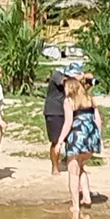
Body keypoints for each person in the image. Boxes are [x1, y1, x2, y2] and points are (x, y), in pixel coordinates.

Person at [58, 72, 102, 210]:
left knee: (73, 172)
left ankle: (75, 206)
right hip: (91, 137)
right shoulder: (90, 99)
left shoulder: (69, 101)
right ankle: (87, 197)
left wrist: (59, 141)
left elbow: (68, 123)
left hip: (77, 138)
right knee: (81, 167)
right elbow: (98, 120)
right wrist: (98, 137)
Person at [44, 62, 87, 175]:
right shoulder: (57, 74)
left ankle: (70, 162)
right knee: (56, 140)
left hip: (70, 109)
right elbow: (66, 83)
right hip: (55, 111)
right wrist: (77, 79)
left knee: (72, 139)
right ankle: (55, 167)